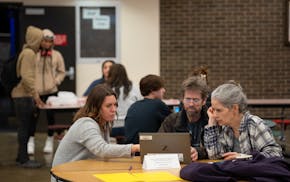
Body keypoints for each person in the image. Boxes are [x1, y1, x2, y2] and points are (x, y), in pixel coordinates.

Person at [51, 84, 140, 171]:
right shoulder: (86, 124)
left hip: (80, 170)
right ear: (96, 107)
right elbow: (102, 150)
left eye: (115, 104)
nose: (114, 110)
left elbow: (104, 150)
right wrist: (134, 148)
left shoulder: (103, 122)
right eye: (109, 106)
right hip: (64, 176)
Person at [204, 81, 283, 160]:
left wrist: (243, 157)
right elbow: (215, 156)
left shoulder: (254, 124)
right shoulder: (225, 127)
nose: (214, 115)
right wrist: (211, 124)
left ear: (235, 108)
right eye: (213, 110)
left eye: (218, 110)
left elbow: (276, 155)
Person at [27, 28, 66, 155]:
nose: (47, 44)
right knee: (33, 117)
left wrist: (56, 81)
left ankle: (49, 140)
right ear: (40, 41)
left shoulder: (57, 55)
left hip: (51, 91)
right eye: (45, 41)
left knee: (51, 118)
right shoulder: (34, 54)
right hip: (36, 91)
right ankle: (31, 141)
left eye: (50, 41)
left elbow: (62, 71)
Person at [11, 26, 45, 168]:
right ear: (36, 39)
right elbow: (27, 78)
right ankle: (24, 159)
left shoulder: (27, 52)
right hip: (23, 97)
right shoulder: (29, 53)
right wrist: (36, 96)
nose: (43, 42)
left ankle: (21, 157)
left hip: (22, 96)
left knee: (23, 127)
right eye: (41, 39)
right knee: (24, 128)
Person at [158, 76, 209, 161]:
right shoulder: (171, 120)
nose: (191, 104)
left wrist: (198, 152)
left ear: (204, 101)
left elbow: (221, 148)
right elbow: (159, 144)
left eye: (195, 100)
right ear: (182, 99)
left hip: (206, 166)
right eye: (188, 99)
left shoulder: (212, 120)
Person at [125, 74, 171, 144]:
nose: (164, 90)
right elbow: (174, 123)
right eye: (161, 87)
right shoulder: (158, 104)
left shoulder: (133, 106)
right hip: (148, 148)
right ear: (152, 90)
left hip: (131, 149)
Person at [106, 63, 142, 142]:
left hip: (110, 128)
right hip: (130, 127)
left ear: (110, 75)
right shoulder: (135, 88)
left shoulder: (105, 89)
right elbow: (140, 107)